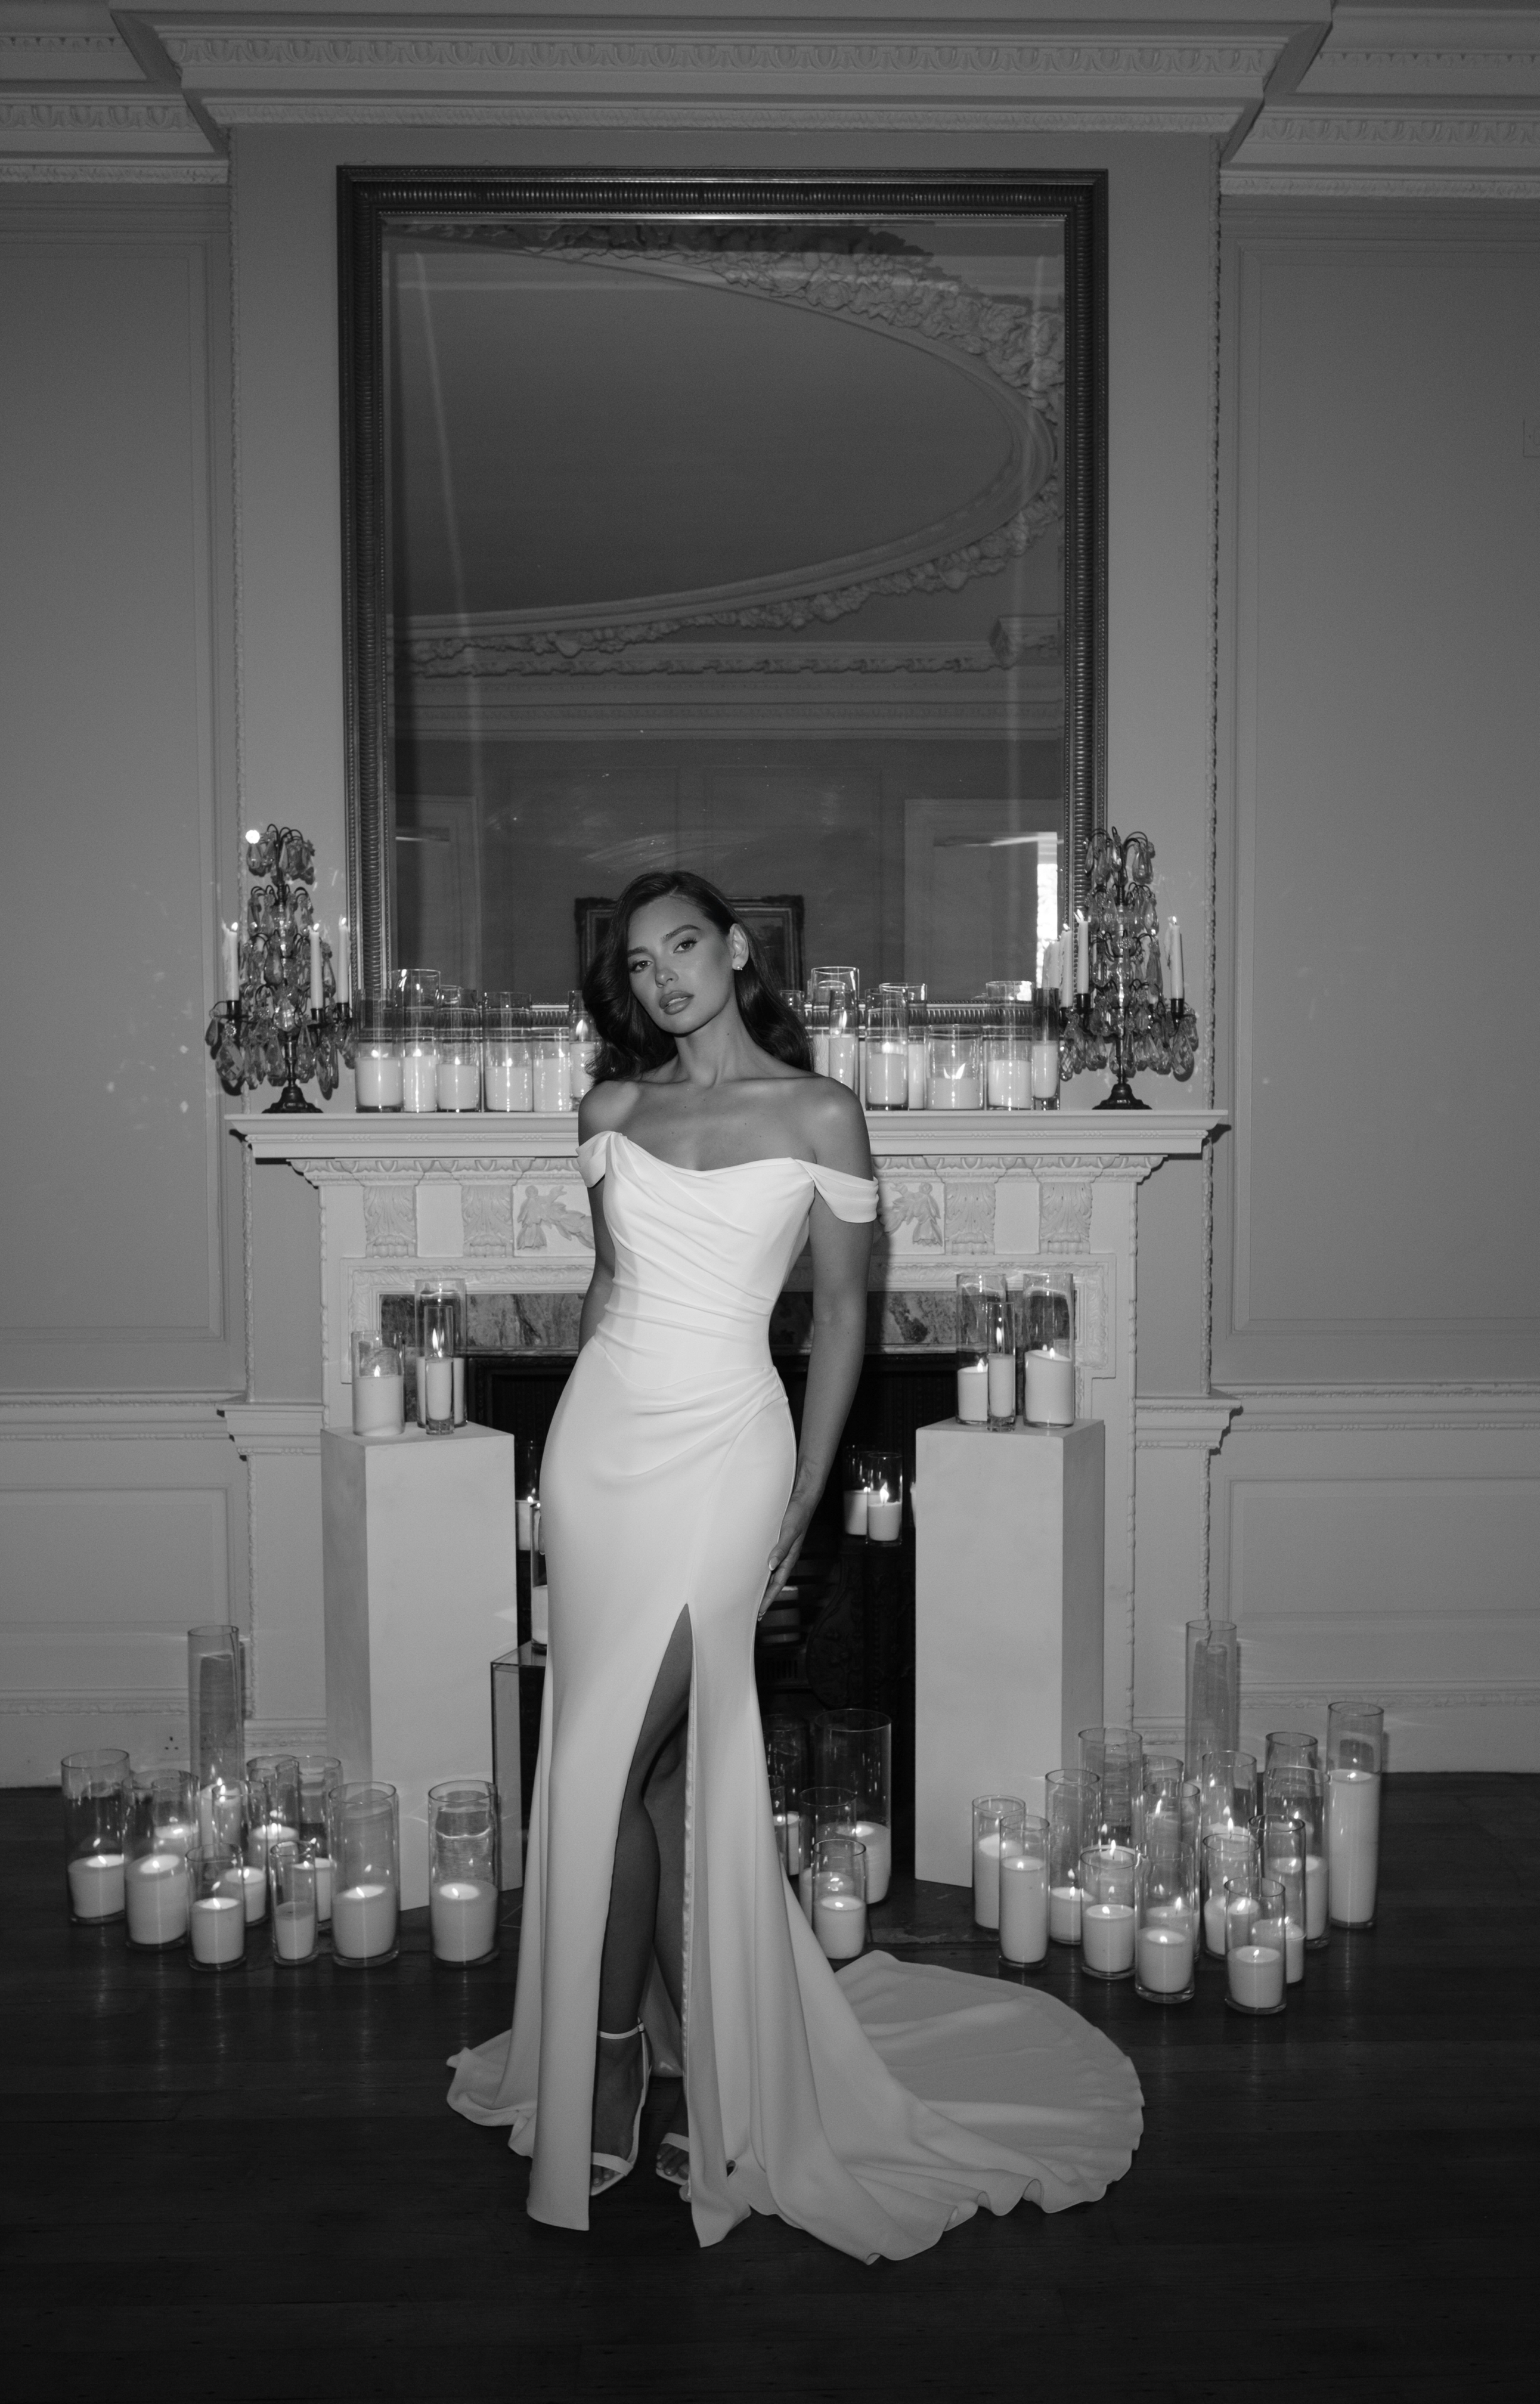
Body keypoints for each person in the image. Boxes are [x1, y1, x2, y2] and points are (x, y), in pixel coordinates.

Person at [448, 872, 1141, 2260]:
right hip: (602, 1452)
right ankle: (683, 2057)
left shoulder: (821, 1113)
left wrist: (810, 1490)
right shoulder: (609, 1111)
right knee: (645, 1775)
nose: (664, 977)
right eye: (638, 963)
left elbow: (839, 1315)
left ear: (736, 950)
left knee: (595, 1773)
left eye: (684, 946)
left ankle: (621, 2061)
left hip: (731, 1452)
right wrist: (565, 1452)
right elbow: (606, 1289)